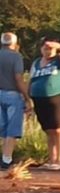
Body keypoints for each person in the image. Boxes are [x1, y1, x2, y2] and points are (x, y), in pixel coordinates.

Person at [29, 37, 60, 170]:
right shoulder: (37, 62)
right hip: (39, 98)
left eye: (50, 48)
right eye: (45, 48)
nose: (47, 50)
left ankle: (59, 161)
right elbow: (32, 79)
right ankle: (52, 159)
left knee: (59, 129)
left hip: (56, 97)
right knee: (49, 130)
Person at [0, 32, 32, 170]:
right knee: (11, 129)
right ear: (15, 44)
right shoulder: (16, 56)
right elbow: (18, 78)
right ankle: (6, 159)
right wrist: (26, 97)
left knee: (1, 126)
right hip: (12, 94)